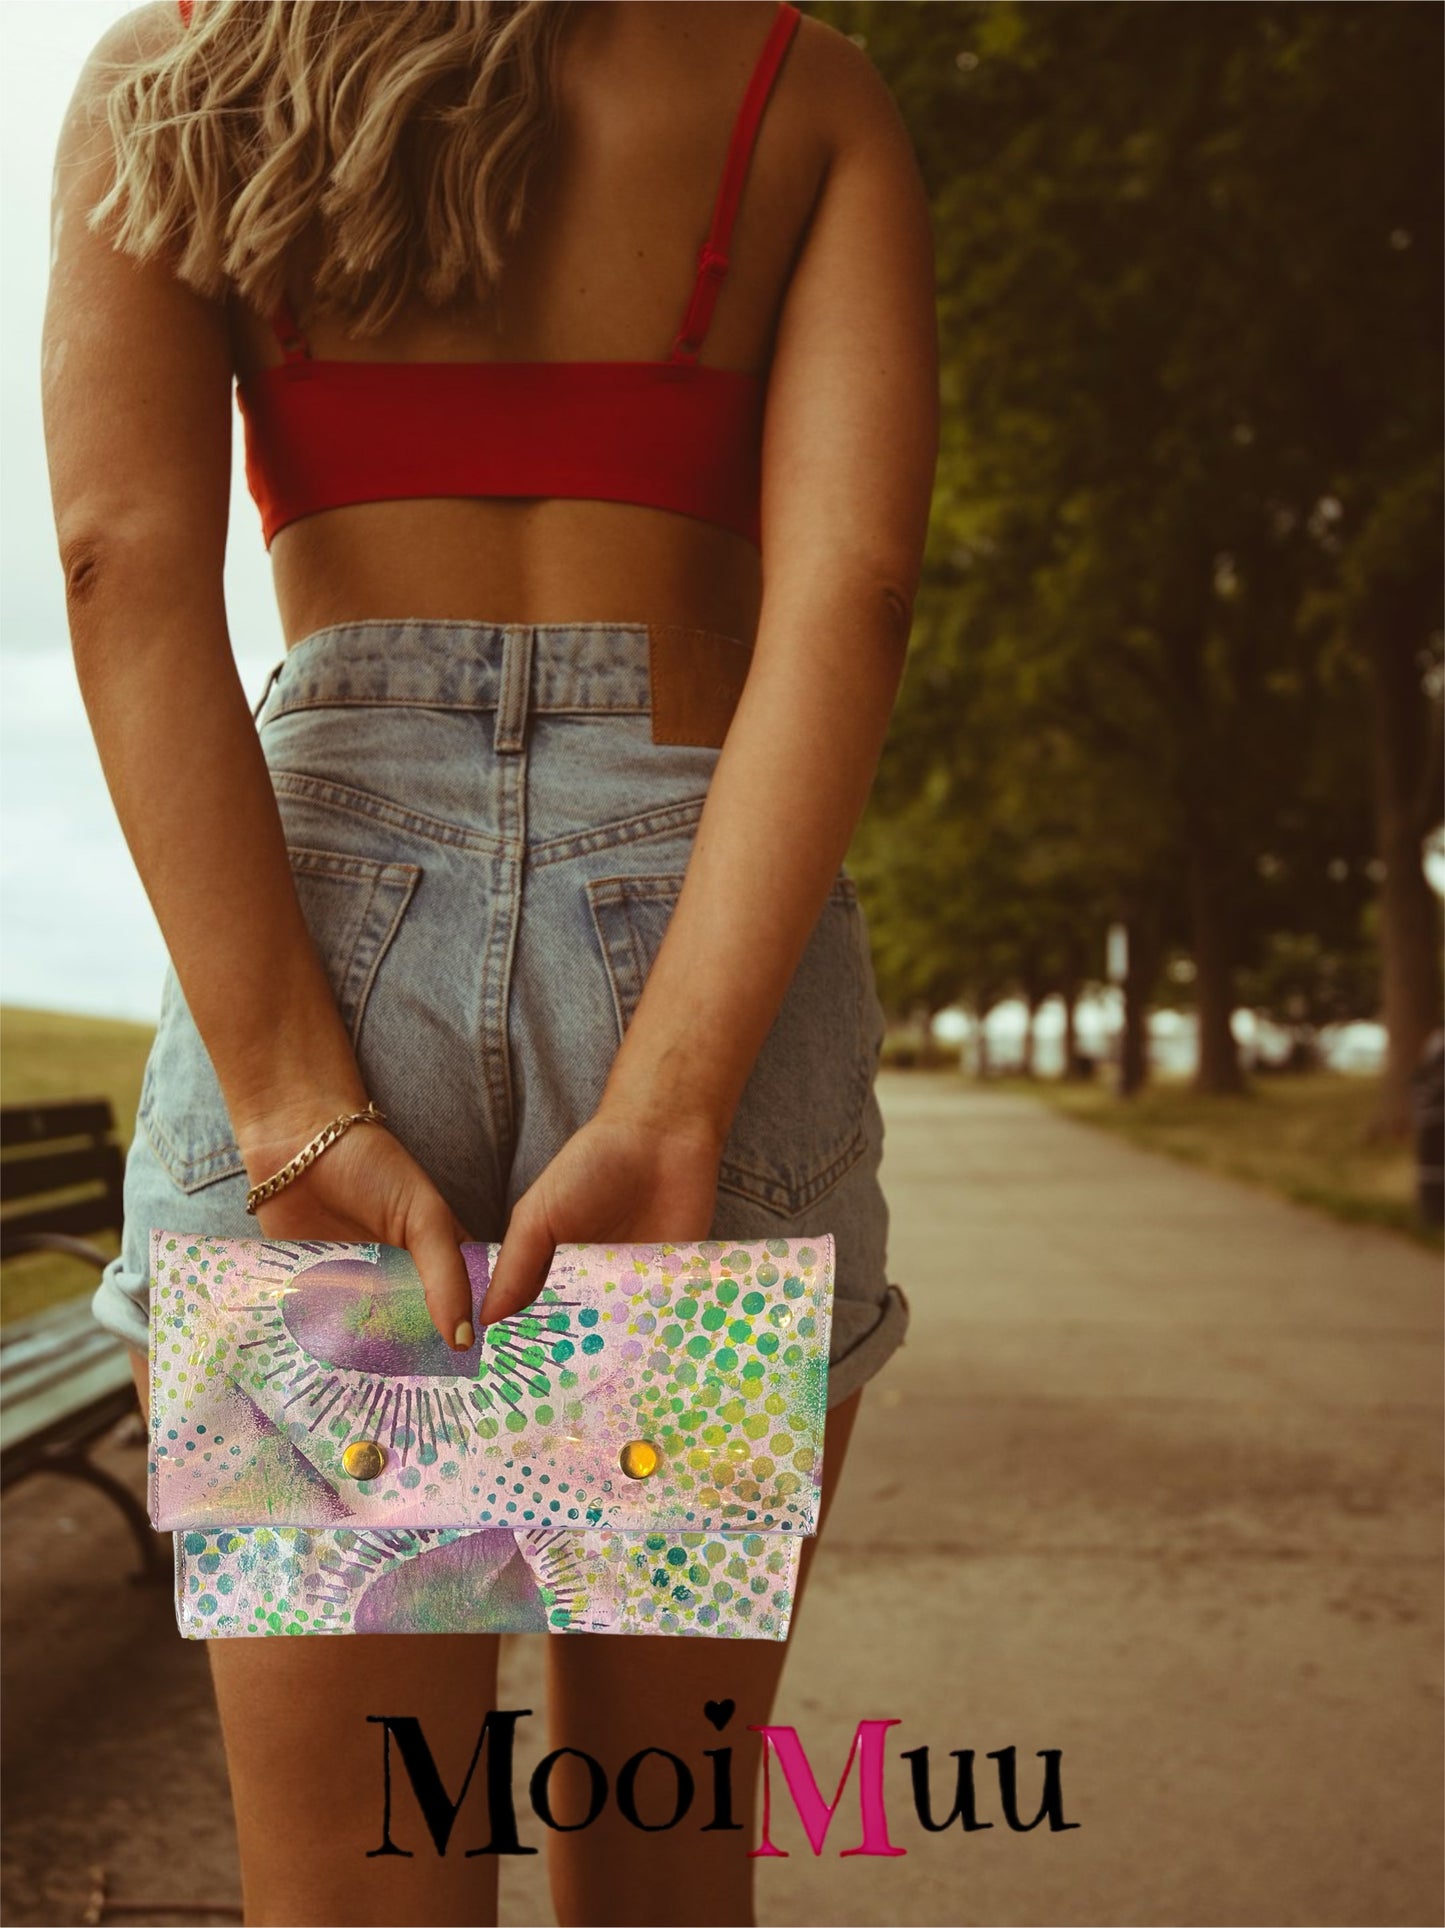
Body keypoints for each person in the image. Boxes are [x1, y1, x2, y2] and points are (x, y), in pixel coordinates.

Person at [41, 1, 938, 1921]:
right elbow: (850, 590)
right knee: (666, 1869)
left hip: (314, 934)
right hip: (700, 914)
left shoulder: (174, 77)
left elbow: (122, 558)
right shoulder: (798, 90)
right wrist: (674, 1096)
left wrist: (288, 1105)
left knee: (356, 1885)